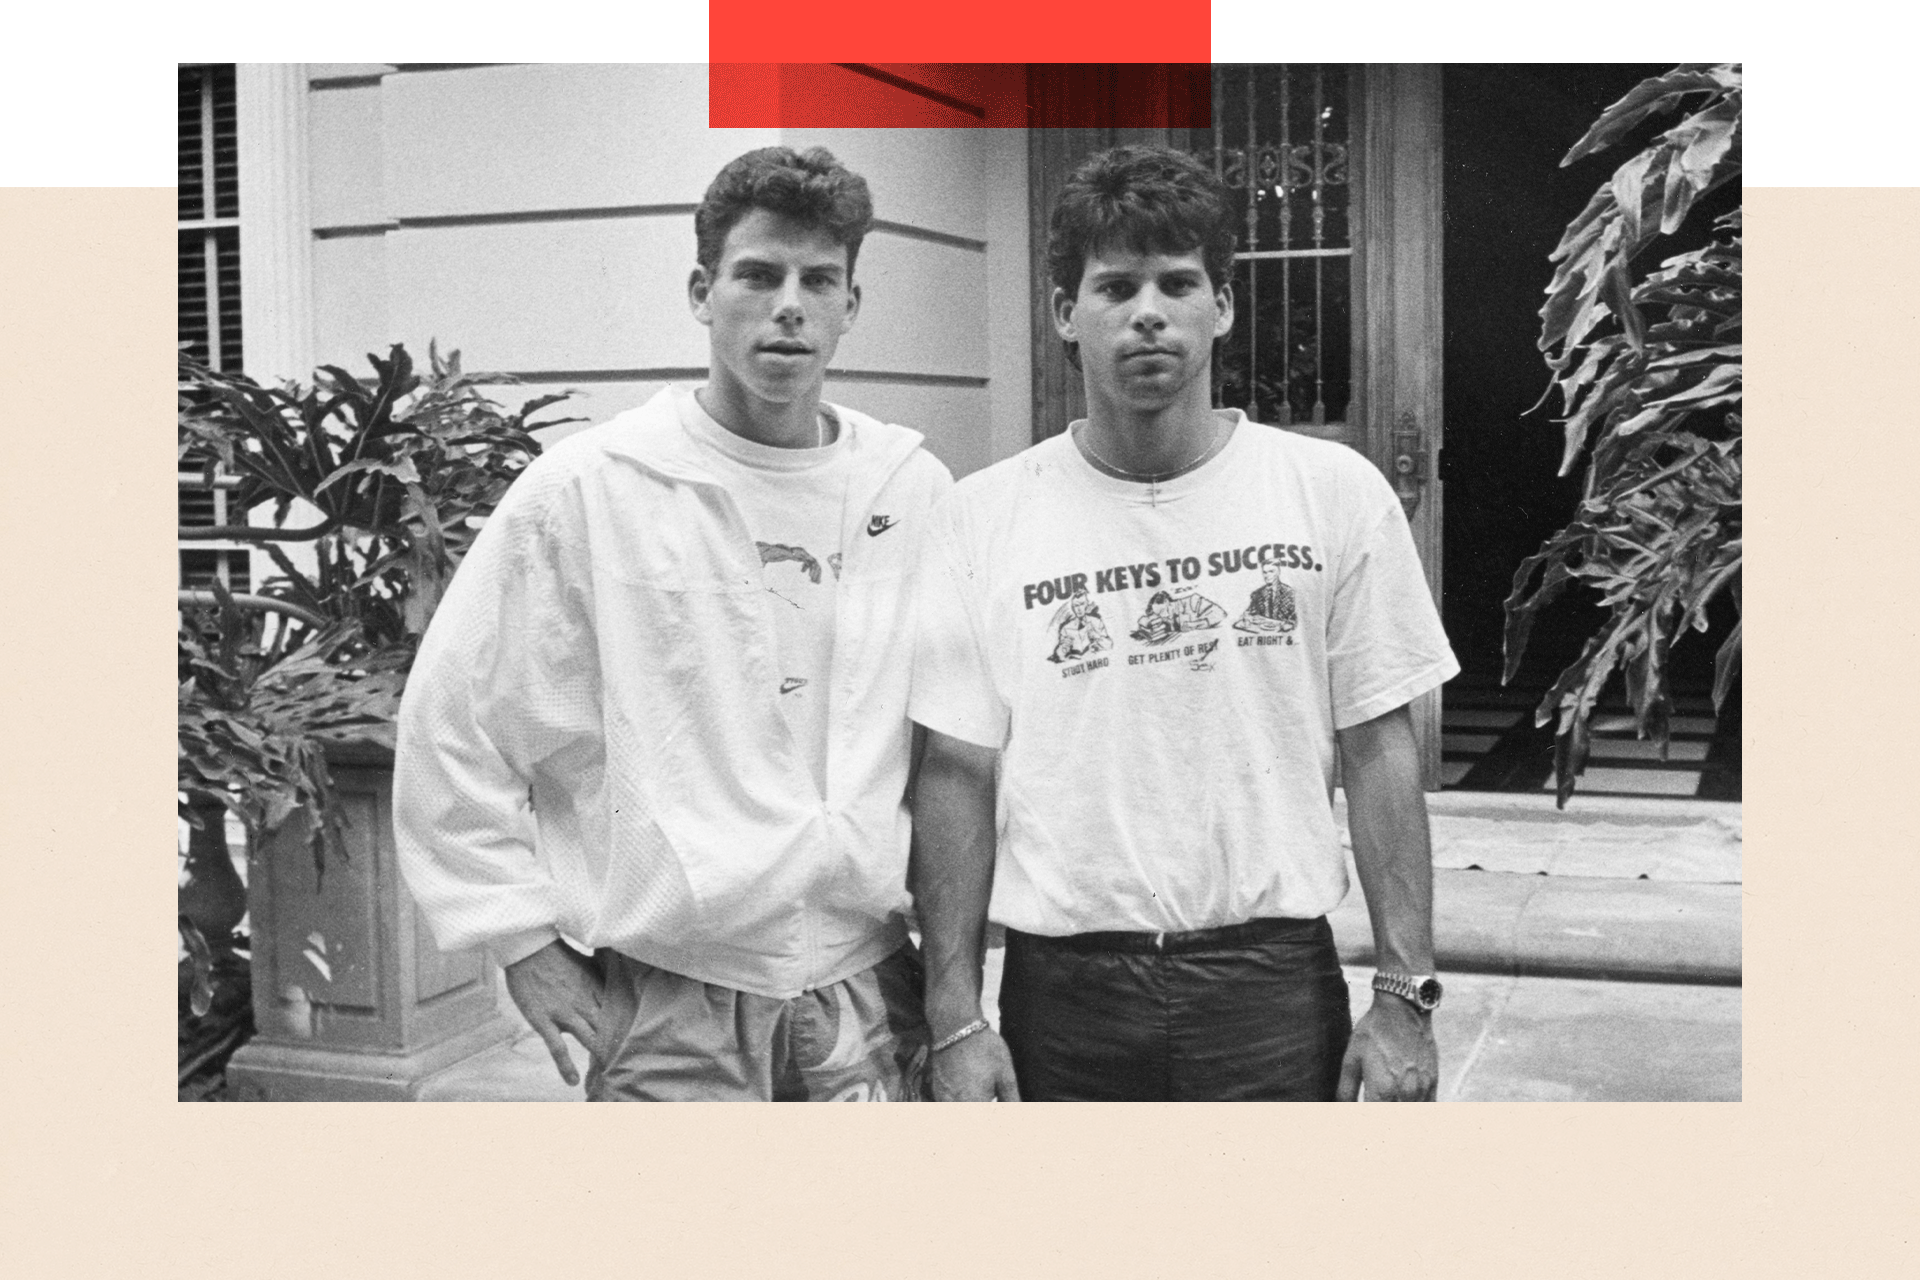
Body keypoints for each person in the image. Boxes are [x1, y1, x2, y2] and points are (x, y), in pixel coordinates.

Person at [394, 146, 953, 1101]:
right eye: (758, 274)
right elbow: (455, 727)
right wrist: (521, 941)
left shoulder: (909, 491)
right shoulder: (596, 488)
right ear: (703, 290)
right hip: (672, 1000)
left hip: (866, 987)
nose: (790, 304)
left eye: (820, 280)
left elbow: (956, 750)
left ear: (851, 305)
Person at [908, 145, 1458, 1102]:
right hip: (1065, 992)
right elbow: (956, 774)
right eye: (1115, 286)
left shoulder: (1328, 494)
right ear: (1062, 316)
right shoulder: (982, 516)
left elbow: (1379, 748)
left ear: (1224, 306)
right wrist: (954, 1016)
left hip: (1272, 989)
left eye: (1178, 282)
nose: (1148, 312)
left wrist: (1404, 996)